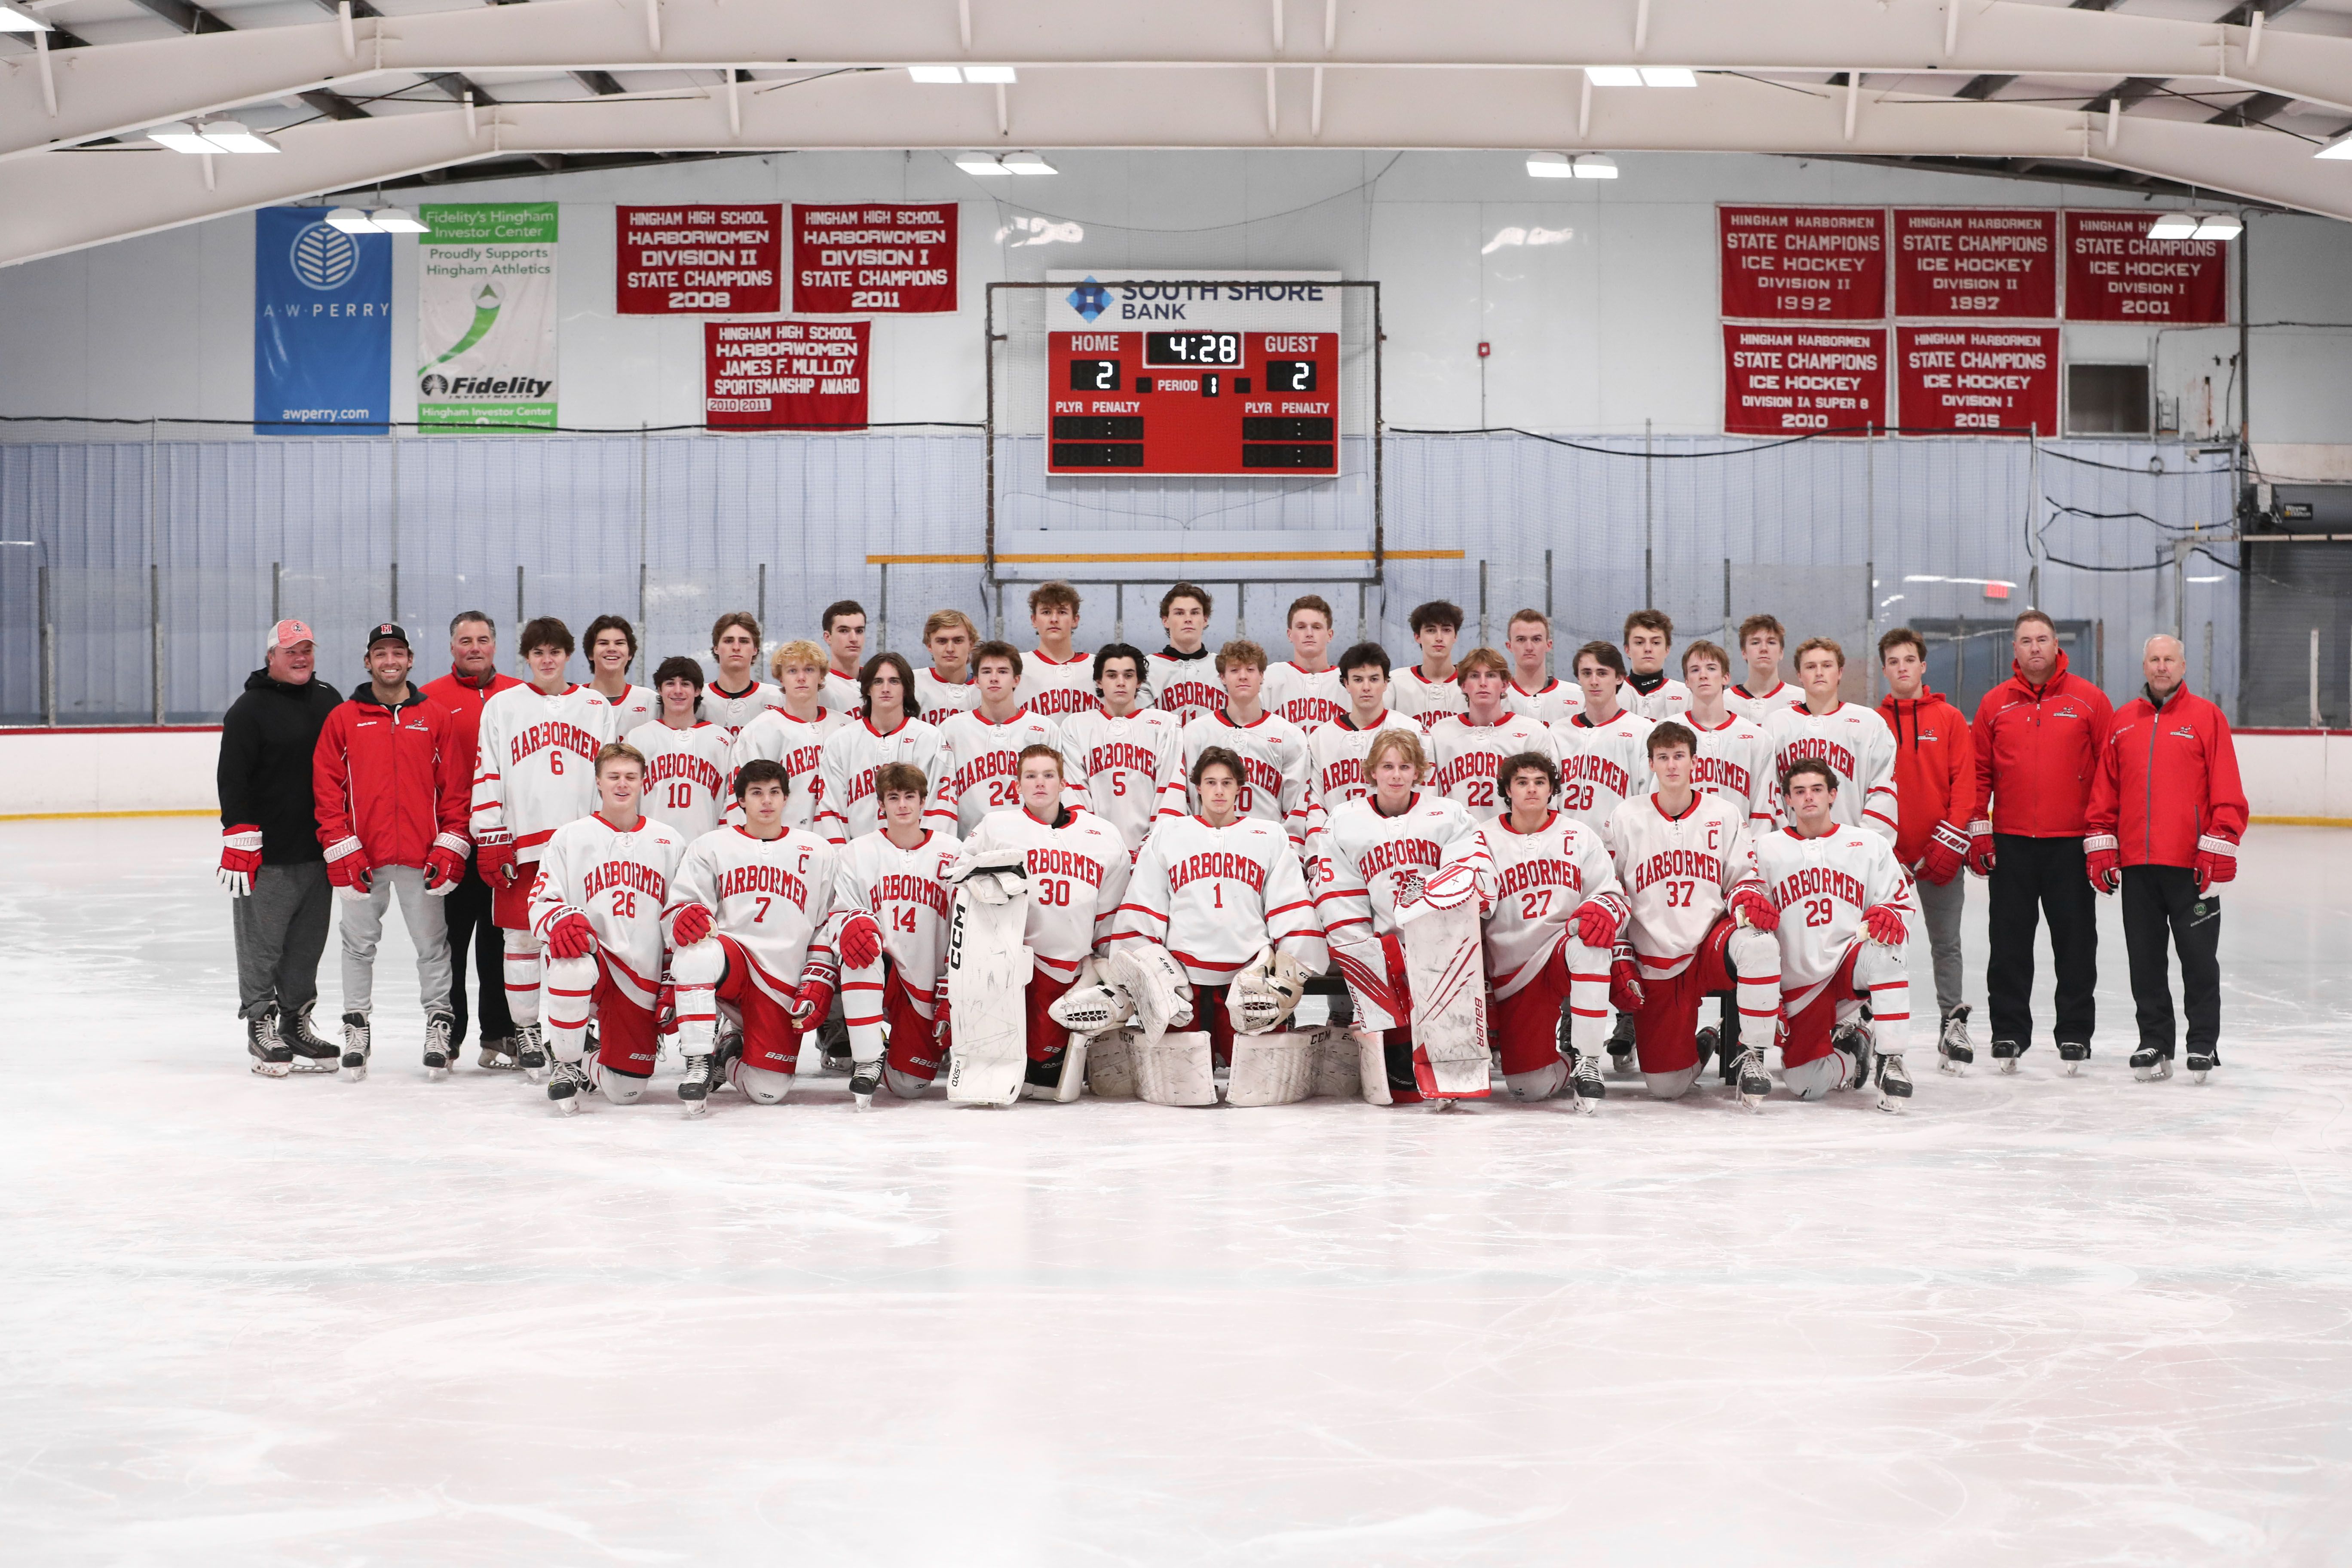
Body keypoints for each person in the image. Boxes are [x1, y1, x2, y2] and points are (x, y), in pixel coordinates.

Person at [310, 622, 469, 1081]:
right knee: (358, 946)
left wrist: (450, 843)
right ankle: (356, 1025)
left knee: (433, 947)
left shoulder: (434, 716)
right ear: (368, 662)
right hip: (365, 858)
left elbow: (455, 791)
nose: (390, 661)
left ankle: (439, 1024)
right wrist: (341, 846)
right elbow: (327, 789)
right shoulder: (343, 718)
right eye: (381, 654)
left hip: (422, 859)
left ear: (410, 660)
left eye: (398, 652)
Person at [2086, 634, 2247, 1085]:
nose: (2162, 667)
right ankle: (2154, 1040)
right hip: (2138, 866)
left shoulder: (2206, 718)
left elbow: (2227, 790)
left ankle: (2202, 1043)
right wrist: (2101, 841)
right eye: (2154, 660)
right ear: (2144, 666)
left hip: (2191, 867)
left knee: (2198, 958)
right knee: (2146, 959)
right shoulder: (2123, 722)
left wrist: (2219, 841)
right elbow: (2105, 793)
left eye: (2169, 660)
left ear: (2184, 665)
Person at [1110, 745, 1327, 1067]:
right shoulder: (1170, 833)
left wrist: (1290, 972)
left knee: (1259, 1081)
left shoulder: (1269, 836)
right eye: (1211, 782)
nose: (1219, 791)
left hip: (1250, 977)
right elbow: (1146, 902)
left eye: (1227, 783)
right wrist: (1144, 965)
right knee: (1179, 1083)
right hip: (1183, 980)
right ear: (1198, 787)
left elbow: (1290, 905)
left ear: (1241, 787)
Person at [469, 616, 618, 1081]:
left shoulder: (595, 705)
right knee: (522, 938)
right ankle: (527, 1029)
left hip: (580, 846)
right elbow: (487, 768)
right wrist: (490, 832)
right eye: (538, 653)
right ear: (528, 658)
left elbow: (609, 773)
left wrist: (608, 834)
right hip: (523, 843)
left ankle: (575, 1027)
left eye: (555, 651)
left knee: (578, 940)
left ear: (569, 655)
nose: (547, 659)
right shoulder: (503, 706)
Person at [1602, 721, 1781, 1106]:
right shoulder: (1626, 816)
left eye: (1679, 757)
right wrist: (1621, 949)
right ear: (1651, 763)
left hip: (1710, 944)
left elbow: (1743, 877)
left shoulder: (1724, 813)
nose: (1671, 766)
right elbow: (1610, 890)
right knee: (1666, 1087)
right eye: (1663, 758)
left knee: (1760, 944)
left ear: (1694, 763)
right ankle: (1708, 1041)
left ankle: (1755, 1055)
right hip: (1655, 955)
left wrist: (1749, 898)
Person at [1314, 728, 1494, 1105]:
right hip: (1380, 943)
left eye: (1405, 766)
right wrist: (1361, 945)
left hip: (1438, 939)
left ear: (1419, 772)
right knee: (1398, 1091)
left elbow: (1472, 873)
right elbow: (1336, 890)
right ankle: (1395, 1056)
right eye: (1388, 766)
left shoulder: (1448, 814)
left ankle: (1450, 1069)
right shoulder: (1345, 819)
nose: (1396, 775)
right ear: (1373, 771)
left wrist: (1438, 931)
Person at [1970, 609, 2113, 1072]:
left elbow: (2110, 776)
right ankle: (2009, 1033)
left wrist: (2101, 838)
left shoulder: (2090, 701)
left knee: (2075, 945)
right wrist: (1980, 829)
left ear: (2057, 645)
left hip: (2070, 845)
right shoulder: (1995, 704)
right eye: (2026, 640)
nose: (2035, 647)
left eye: (2043, 639)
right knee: (2009, 944)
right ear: (2015, 649)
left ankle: (2074, 1035)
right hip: (2012, 844)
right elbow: (1978, 774)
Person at [668, 758, 852, 1110]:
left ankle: (728, 1054)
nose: (766, 801)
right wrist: (684, 915)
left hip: (782, 978)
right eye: (756, 793)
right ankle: (697, 1060)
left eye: (773, 793)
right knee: (695, 950)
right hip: (733, 961)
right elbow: (683, 908)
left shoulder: (817, 850)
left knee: (768, 1091)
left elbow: (829, 921)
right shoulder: (711, 845)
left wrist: (819, 972)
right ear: (740, 801)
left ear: (786, 799)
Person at [955, 746, 1131, 1096]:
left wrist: (1105, 963)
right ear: (1017, 785)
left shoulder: (1103, 835)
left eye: (1048, 775)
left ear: (1063, 782)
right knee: (1030, 1071)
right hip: (1015, 967)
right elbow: (960, 880)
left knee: (1051, 1078)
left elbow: (1110, 910)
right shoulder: (997, 826)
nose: (1040, 784)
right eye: (1031, 776)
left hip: (1075, 969)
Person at [526, 742, 692, 1113]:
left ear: (643, 783)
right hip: (595, 959)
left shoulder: (669, 840)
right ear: (598, 782)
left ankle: (591, 1059)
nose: (622, 784)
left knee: (626, 1092)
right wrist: (559, 921)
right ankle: (567, 1064)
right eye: (614, 776)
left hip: (642, 975)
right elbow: (539, 903)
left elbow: (682, 910)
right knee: (571, 963)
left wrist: (672, 979)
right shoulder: (570, 837)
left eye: (631, 777)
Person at [1751, 758, 1916, 1112]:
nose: (1808, 797)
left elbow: (1900, 903)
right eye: (1799, 791)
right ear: (1787, 801)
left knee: (1888, 951)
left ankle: (1892, 1060)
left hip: (1849, 963)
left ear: (1833, 795)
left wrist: (1888, 913)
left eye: (1817, 790)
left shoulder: (1869, 844)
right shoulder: (1766, 849)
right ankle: (1855, 1051)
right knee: (1805, 1085)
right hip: (1798, 983)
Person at [218, 617, 346, 1075]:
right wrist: (238, 831)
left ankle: (294, 1021)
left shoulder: (330, 700)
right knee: (263, 947)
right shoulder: (248, 710)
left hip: (319, 851)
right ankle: (261, 1023)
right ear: (271, 656)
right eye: (291, 650)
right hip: (268, 856)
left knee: (306, 946)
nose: (301, 657)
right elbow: (232, 779)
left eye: (307, 649)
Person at [1478, 750, 1627, 1105]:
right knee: (1528, 1088)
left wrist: (1600, 911)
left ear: (1552, 790)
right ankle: (1567, 1062)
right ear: (1507, 790)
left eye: (1540, 782)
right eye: (1522, 782)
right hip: (1514, 969)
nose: (1532, 789)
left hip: (1562, 948)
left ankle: (1590, 1060)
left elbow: (1611, 895)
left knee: (1590, 938)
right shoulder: (1481, 839)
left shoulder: (1578, 835)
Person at [1877, 626, 1981, 1072]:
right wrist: (1882, 849)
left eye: (1908, 660)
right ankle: (1868, 1023)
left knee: (1947, 944)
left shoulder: (1951, 719)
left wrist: (1949, 841)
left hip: (1940, 853)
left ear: (1923, 665)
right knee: (1879, 946)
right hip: (1889, 859)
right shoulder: (1872, 722)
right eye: (1893, 662)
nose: (1902, 668)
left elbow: (1966, 786)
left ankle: (1951, 1022)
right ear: (1886, 670)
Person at [422, 611, 523, 1067]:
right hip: (452, 842)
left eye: (483, 639)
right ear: (452, 648)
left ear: (495, 645)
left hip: (505, 842)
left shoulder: (520, 696)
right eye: (466, 640)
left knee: (500, 941)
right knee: (450, 943)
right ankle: (450, 1031)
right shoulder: (428, 698)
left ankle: (499, 1033)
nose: (475, 647)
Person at [1678, 637, 1783, 1079]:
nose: (1703, 676)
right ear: (1685, 681)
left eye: (1710, 669)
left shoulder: (1755, 738)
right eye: (1694, 670)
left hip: (1738, 867)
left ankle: (1745, 1044)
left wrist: (1747, 869)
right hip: (1686, 869)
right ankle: (1685, 1042)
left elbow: (1763, 806)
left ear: (1726, 677)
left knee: (1751, 947)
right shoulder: (1666, 732)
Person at [834, 763, 959, 1101]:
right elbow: (838, 916)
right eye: (894, 797)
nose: (902, 805)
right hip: (882, 967)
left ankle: (892, 1048)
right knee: (860, 946)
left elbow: (965, 927)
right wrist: (852, 926)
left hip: (926, 979)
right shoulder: (857, 853)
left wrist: (951, 985)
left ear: (923, 802)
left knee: (910, 1086)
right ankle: (867, 1058)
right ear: (881, 804)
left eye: (910, 796)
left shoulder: (953, 853)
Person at [1164, 640, 1309, 851]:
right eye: (1234, 670)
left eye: (1250, 669)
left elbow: (1296, 807)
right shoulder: (1195, 733)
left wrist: (1289, 853)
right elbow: (1185, 799)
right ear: (1222, 677)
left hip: (1265, 847)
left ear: (1262, 676)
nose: (1243, 676)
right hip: (1206, 846)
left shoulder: (1289, 736)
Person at [929, 641, 1069, 837]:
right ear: (976, 681)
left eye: (1003, 672)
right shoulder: (952, 729)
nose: (994, 678)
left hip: (1032, 840)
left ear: (1016, 680)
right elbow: (941, 794)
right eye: (987, 672)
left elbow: (1058, 794)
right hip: (970, 843)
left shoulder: (1044, 729)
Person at [1766, 637, 1898, 843]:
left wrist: (1866, 845)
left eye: (1827, 665)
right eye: (1811, 667)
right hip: (1792, 851)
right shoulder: (1776, 724)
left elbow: (1883, 791)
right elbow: (1768, 792)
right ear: (1799, 675)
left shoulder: (1870, 723)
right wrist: (1785, 841)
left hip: (1853, 849)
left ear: (1840, 672)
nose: (1819, 672)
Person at [1059, 643, 1185, 854]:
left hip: (1152, 851)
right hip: (1095, 852)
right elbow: (1074, 794)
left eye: (1128, 676)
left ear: (1140, 682)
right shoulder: (1076, 726)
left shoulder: (1166, 724)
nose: (1120, 682)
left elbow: (1171, 789)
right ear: (1099, 681)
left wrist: (1152, 848)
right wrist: (1094, 845)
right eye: (1111, 675)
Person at [815, 652, 948, 844]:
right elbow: (831, 810)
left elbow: (940, 807)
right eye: (878, 682)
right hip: (859, 857)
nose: (886, 688)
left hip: (918, 858)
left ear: (906, 688)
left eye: (894, 681)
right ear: (867, 688)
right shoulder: (840, 741)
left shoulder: (929, 739)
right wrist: (843, 858)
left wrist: (927, 854)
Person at [727, 640, 848, 833]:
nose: (801, 678)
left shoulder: (845, 728)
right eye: (792, 671)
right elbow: (741, 797)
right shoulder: (759, 730)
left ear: (822, 676)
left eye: (809, 670)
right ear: (781, 679)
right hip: (781, 843)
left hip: (837, 840)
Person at [1427, 646, 1556, 822]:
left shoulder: (1532, 732)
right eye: (1474, 676)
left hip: (1512, 837)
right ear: (1463, 686)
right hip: (1455, 839)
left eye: (1491, 675)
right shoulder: (1439, 733)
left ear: (1505, 685)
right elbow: (1427, 799)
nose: (1483, 683)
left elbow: (1548, 801)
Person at [1302, 641, 1405, 859]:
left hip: (1393, 849)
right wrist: (1314, 853)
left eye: (1374, 679)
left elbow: (1422, 800)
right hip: (1337, 849)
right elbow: (1316, 803)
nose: (1366, 687)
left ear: (1387, 683)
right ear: (1346, 684)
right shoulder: (1321, 737)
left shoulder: (1410, 731)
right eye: (1358, 680)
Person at [1550, 640, 1651, 836]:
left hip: (1621, 845)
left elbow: (1647, 800)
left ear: (1620, 678)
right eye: (1586, 673)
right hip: (1568, 845)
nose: (1594, 681)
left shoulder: (1642, 730)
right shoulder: (1557, 732)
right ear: (1578, 678)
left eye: (1602, 673)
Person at [627, 656, 731, 842]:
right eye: (670, 683)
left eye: (685, 684)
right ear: (659, 689)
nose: (677, 691)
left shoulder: (721, 740)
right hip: (649, 846)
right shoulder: (637, 738)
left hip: (704, 846)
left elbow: (729, 803)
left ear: (698, 690)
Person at [1015, 580, 1101, 720]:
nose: (1054, 619)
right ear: (1034, 620)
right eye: (1046, 612)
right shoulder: (1016, 665)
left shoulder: (1098, 666)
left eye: (1062, 612)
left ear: (1075, 620)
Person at [1262, 594, 1347, 732]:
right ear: (1290, 634)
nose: (1309, 633)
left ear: (1330, 635)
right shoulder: (1270, 677)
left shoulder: (1348, 681)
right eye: (1301, 627)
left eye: (1317, 627)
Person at [699, 610, 787, 742]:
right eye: (729, 641)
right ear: (716, 648)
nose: (736, 647)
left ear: (755, 650)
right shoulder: (699, 698)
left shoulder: (777, 698)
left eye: (744, 641)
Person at [1146, 582, 1226, 724]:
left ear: (1205, 620)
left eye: (1195, 613)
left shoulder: (1224, 667)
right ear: (1166, 621)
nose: (1188, 619)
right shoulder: (1148, 667)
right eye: (1179, 613)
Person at [1388, 599, 1467, 729]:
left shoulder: (1472, 682)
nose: (1439, 637)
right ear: (1417, 637)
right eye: (1431, 630)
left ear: (1455, 637)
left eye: (1447, 630)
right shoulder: (1395, 682)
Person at [583, 614, 657, 732]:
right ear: (591, 654)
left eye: (619, 643)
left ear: (630, 654)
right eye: (603, 643)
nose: (612, 649)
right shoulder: (574, 700)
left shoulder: (650, 701)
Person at [1504, 609, 1574, 722]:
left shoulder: (1576, 696)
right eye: (1521, 640)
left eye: (1536, 639)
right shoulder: (1498, 697)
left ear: (1549, 645)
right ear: (1509, 646)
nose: (1529, 647)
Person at [1622, 609, 1691, 722]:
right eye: (1639, 643)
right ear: (1627, 649)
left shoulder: (1687, 695)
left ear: (1667, 649)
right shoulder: (1612, 695)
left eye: (1656, 643)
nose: (1648, 649)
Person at [1729, 613, 1795, 723]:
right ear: (1744, 652)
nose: (1764, 648)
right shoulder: (1726, 702)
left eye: (1771, 642)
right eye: (1755, 643)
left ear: (1781, 652)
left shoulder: (1802, 699)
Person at [915, 609, 981, 717]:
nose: (950, 649)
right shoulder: (913, 684)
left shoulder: (986, 688)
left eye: (958, 641)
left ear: (971, 644)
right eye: (942, 641)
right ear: (929, 645)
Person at [819, 600, 867, 717]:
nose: (854, 638)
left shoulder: (880, 681)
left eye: (859, 631)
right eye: (844, 631)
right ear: (828, 637)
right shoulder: (818, 686)